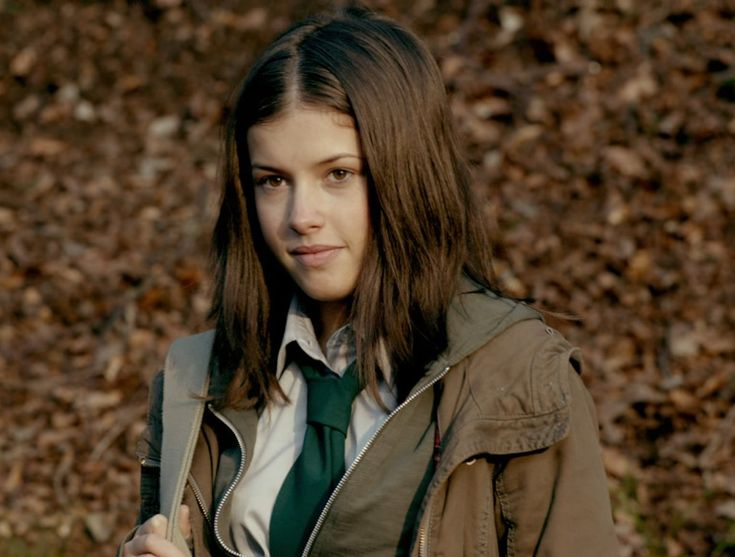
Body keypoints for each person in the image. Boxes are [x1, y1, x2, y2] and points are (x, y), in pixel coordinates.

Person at [120, 6, 619, 557]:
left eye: (339, 174)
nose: (300, 215)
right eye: (272, 180)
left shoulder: (520, 378)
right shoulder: (198, 382)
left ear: (408, 172)